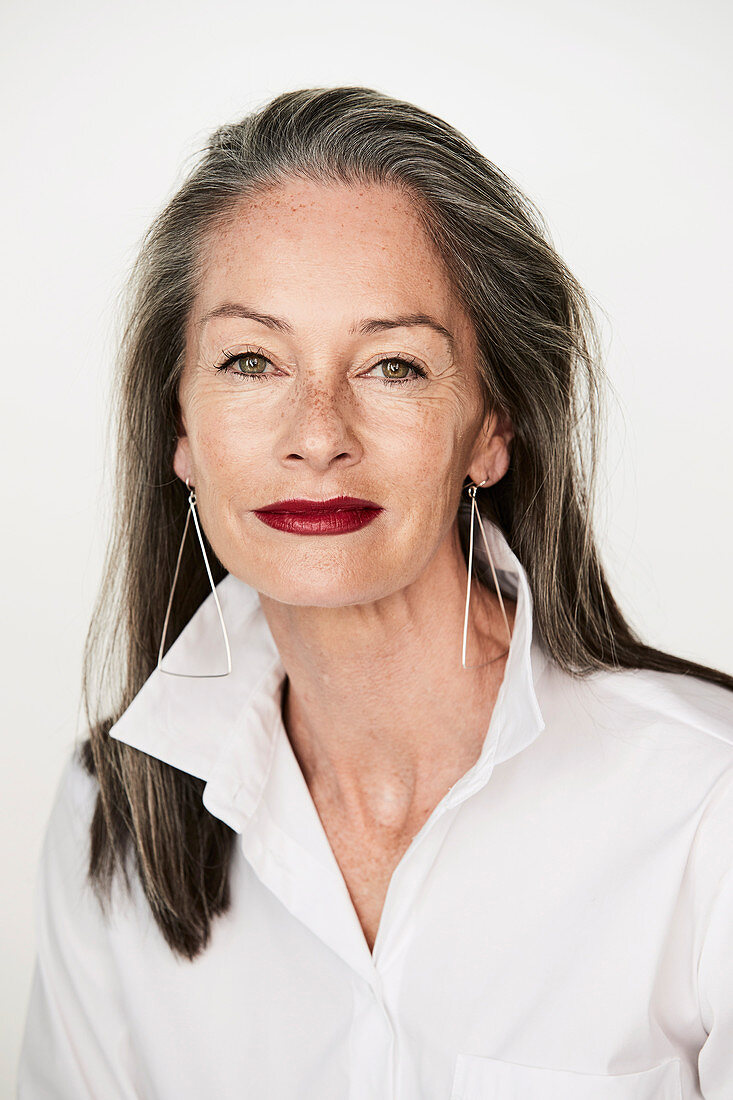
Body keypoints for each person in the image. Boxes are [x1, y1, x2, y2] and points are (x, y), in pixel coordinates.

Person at [17, 85, 733, 1100]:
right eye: (251, 360)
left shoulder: (710, 809)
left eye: (393, 364)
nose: (318, 432)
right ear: (178, 428)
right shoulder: (112, 816)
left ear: (492, 428)